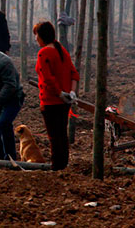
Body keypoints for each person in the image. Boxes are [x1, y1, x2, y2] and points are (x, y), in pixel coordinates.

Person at [33, 21, 79, 171]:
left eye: (36, 35)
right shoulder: (61, 50)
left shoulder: (44, 53)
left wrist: (59, 93)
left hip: (51, 101)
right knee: (62, 135)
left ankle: (57, 168)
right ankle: (63, 166)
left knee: (54, 137)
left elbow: (48, 79)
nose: (35, 39)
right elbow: (74, 74)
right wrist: (71, 92)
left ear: (42, 36)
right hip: (64, 102)